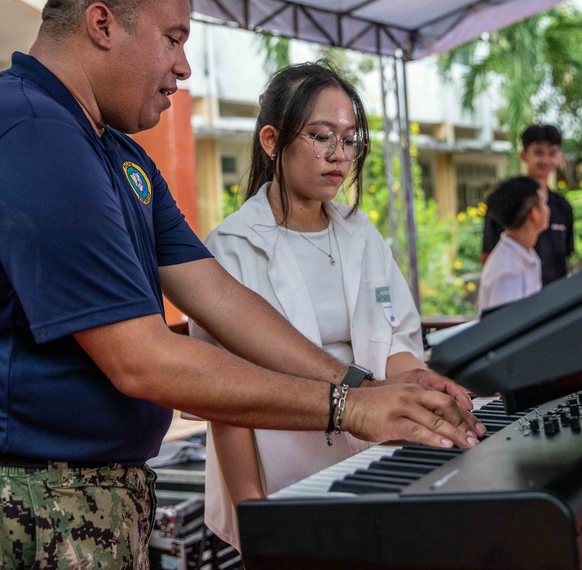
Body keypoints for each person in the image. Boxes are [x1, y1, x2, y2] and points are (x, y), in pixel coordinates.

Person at [0, 0, 482, 570]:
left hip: (87, 489)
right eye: (173, 39)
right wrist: (348, 407)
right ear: (102, 24)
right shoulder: (31, 136)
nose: (184, 68)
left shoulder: (116, 154)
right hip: (14, 497)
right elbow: (143, 361)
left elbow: (222, 298)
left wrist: (358, 383)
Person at [189, 61, 454, 552]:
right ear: (271, 141)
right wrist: (252, 510)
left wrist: (420, 387)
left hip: (379, 462)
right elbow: (224, 401)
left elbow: (394, 339)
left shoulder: (363, 235)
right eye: (320, 136)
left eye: (350, 139)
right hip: (285, 479)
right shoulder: (229, 248)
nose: (339, 155)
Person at [481, 124, 574, 285]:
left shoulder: (563, 207)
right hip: (518, 296)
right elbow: (487, 254)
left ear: (559, 156)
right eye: (538, 153)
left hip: (557, 297)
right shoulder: (507, 201)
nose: (545, 160)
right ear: (523, 154)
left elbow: (567, 256)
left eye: (552, 153)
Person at [477, 176, 550, 313]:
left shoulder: (524, 253)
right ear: (534, 214)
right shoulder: (507, 274)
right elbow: (508, 328)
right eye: (543, 204)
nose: (547, 209)